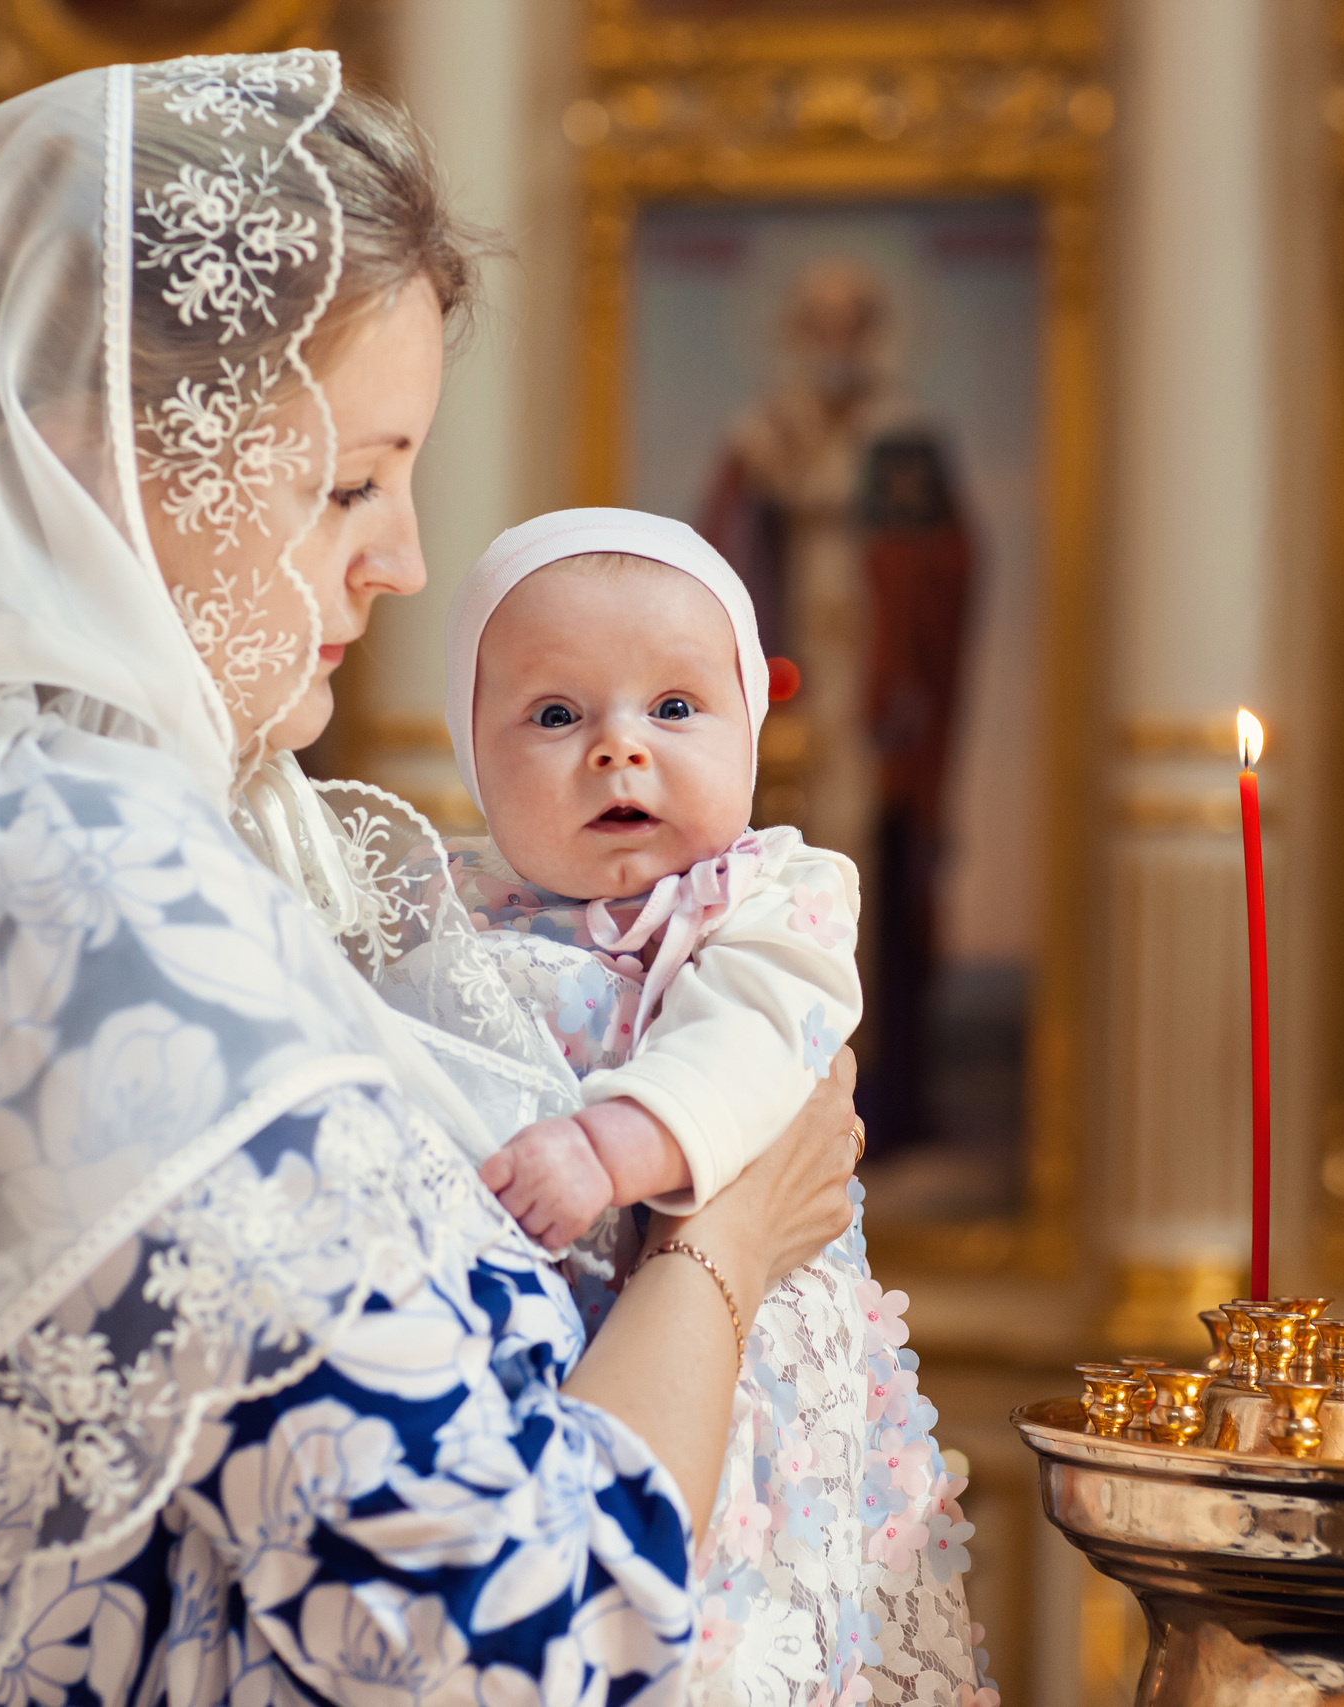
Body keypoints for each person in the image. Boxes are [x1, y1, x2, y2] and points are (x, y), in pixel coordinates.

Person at [0, 54, 863, 1704]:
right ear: (98, 457)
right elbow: (516, 1644)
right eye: (351, 479)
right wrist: (725, 1246)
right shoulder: (71, 871)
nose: (401, 556)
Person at [435, 509, 986, 1702]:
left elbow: (753, 1043)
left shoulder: (770, 904)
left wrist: (611, 1144)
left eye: (674, 709)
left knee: (747, 1608)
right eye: (555, 714)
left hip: (744, 1363)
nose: (618, 751)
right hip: (557, 1359)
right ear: (471, 754)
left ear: (751, 730)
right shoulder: (446, 914)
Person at [698, 259, 974, 1156]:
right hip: (788, 686)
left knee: (875, 879)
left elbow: (948, 567)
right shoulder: (763, 437)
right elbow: (713, 559)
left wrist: (902, 631)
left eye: (850, 321)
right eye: (817, 322)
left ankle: (878, 1101)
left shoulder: (904, 435)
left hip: (873, 697)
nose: (834, 341)